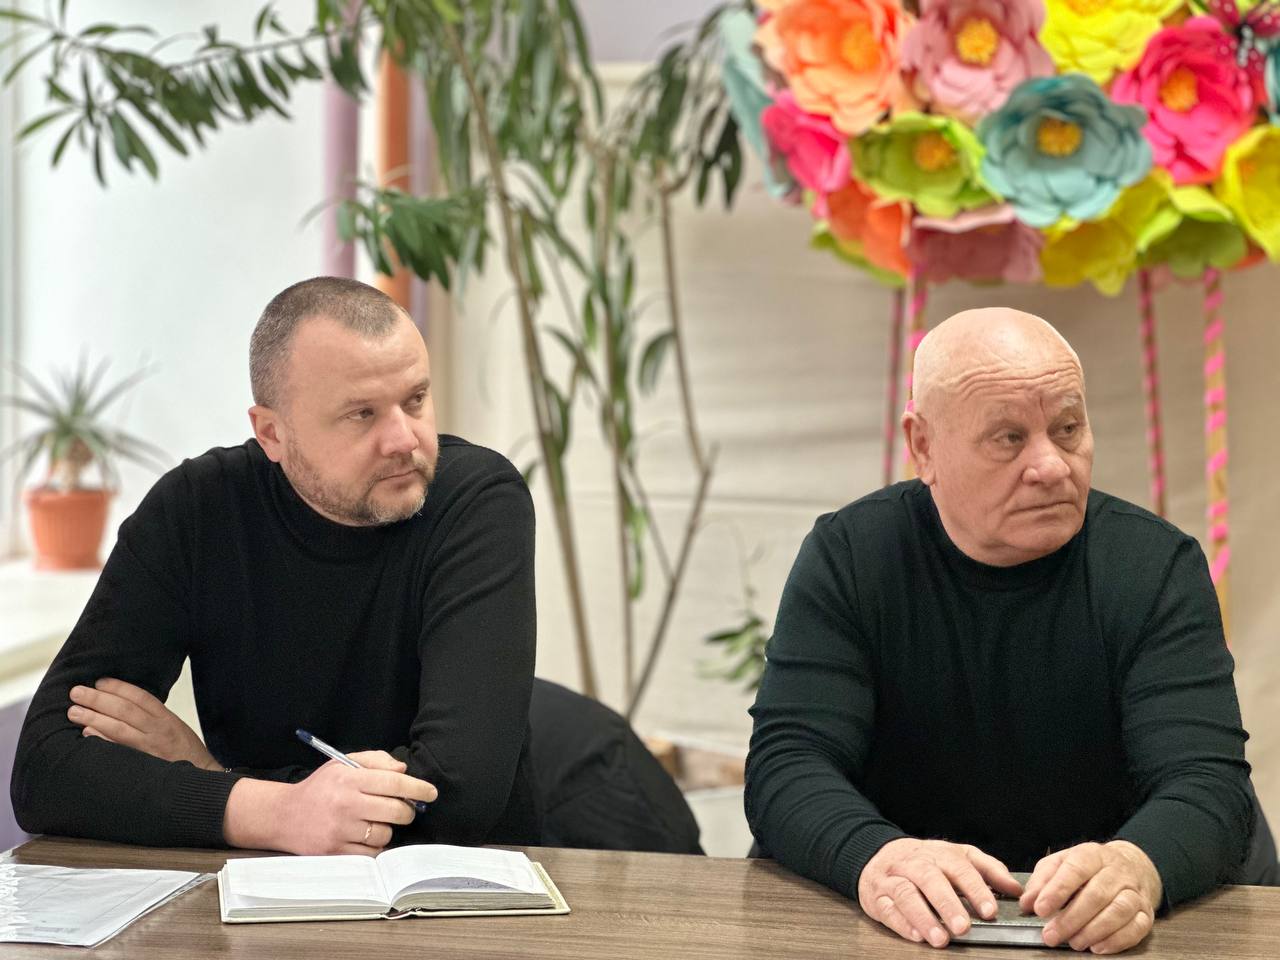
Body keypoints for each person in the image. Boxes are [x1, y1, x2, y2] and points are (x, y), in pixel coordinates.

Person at [745, 307, 1259, 954]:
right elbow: (788, 763)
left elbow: (1208, 784)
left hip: (1110, 934)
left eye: (1068, 429)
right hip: (912, 930)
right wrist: (874, 855)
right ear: (923, 446)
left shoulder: (1154, 567)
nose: (1052, 466)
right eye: (1009, 438)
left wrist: (1138, 865)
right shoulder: (853, 557)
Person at [11, 276, 539, 855]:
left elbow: (459, 798)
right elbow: (44, 772)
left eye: (415, 400)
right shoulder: (198, 510)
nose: (403, 440)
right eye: (361, 414)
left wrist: (217, 781)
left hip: (460, 890)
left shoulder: (476, 502)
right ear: (271, 434)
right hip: (254, 891)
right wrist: (281, 813)